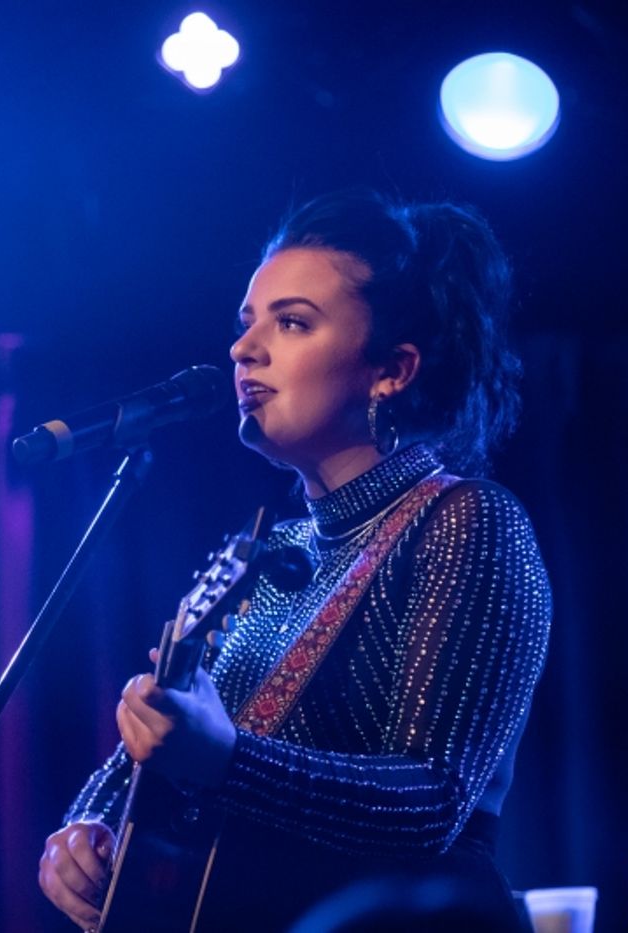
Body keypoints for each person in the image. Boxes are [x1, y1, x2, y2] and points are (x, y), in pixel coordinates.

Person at [37, 189, 551, 931]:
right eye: (247, 324)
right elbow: (146, 761)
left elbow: (432, 803)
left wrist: (227, 758)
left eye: (292, 323)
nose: (245, 349)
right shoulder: (266, 551)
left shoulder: (466, 520)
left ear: (392, 370)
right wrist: (85, 826)